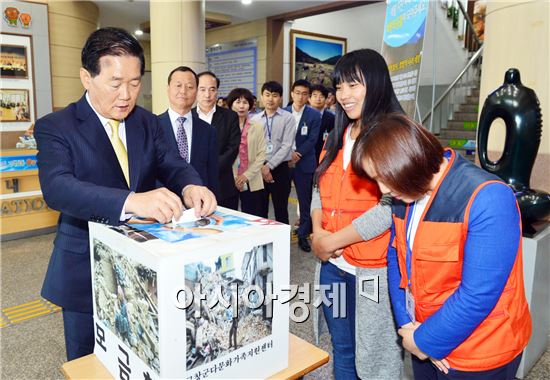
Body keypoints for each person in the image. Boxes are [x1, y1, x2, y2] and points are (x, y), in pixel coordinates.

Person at [35, 27, 216, 361]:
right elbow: (58, 187)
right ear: (86, 77)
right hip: (87, 270)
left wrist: (191, 185)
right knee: (88, 359)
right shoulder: (56, 126)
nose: (126, 95)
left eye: (135, 84)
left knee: (142, 354)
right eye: (115, 83)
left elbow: (172, 163)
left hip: (145, 271)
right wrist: (131, 201)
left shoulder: (145, 122)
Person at [351, 113, 532, 380]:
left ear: (407, 161)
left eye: (383, 177)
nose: (382, 190)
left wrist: (426, 340)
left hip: (479, 352)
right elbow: (395, 255)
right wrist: (408, 327)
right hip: (422, 334)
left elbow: (478, 295)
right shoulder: (406, 191)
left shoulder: (488, 197)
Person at [310, 48, 405, 379]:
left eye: (353, 85)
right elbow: (318, 188)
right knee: (343, 349)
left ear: (376, 83)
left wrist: (332, 239)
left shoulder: (393, 135)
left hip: (372, 272)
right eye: (339, 87)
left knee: (374, 357)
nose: (343, 95)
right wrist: (319, 235)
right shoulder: (337, 135)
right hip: (333, 268)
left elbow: (390, 206)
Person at [157, 66, 219, 196]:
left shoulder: (209, 131)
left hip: (198, 204)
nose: (183, 91)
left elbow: (212, 174)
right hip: (162, 202)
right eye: (178, 85)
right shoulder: (153, 126)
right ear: (168, 89)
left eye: (190, 87)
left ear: (196, 91)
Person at [193, 71, 241, 210]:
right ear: (195, 90)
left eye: (212, 89)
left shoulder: (230, 116)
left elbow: (232, 149)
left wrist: (208, 169)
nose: (207, 95)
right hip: (193, 187)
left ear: (217, 91)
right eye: (202, 89)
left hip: (222, 187)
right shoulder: (187, 116)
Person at [284, 79, 320, 252]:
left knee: (305, 201)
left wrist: (297, 155)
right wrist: (286, 155)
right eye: (297, 93)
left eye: (305, 94)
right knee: (280, 200)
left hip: (304, 163)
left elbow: (313, 139)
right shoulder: (282, 112)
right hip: (282, 163)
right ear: (291, 93)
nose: (300, 96)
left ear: (308, 96)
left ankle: (303, 235)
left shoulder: (314, 115)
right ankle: (281, 234)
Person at [250, 81, 295, 224]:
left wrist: (268, 166)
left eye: (274, 95)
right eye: (267, 95)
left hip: (280, 168)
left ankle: (282, 245)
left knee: (281, 210)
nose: (270, 99)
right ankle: (261, 243)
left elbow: (287, 145)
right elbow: (252, 146)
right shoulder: (254, 119)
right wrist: (262, 166)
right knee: (260, 210)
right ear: (262, 97)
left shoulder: (288, 118)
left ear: (280, 98)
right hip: (258, 169)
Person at [226, 88, 266, 217]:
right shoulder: (224, 126)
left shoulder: (257, 126)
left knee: (252, 215)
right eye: (238, 102)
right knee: (229, 216)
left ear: (250, 105)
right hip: (229, 179)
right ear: (231, 104)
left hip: (251, 178)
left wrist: (245, 176)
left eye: (245, 102)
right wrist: (235, 177)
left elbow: (261, 154)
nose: (241, 106)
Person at [309, 84, 335, 163]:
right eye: (315, 96)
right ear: (309, 98)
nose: (318, 99)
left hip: (324, 157)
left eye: (321, 96)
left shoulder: (332, 118)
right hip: (304, 158)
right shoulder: (303, 116)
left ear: (326, 99)